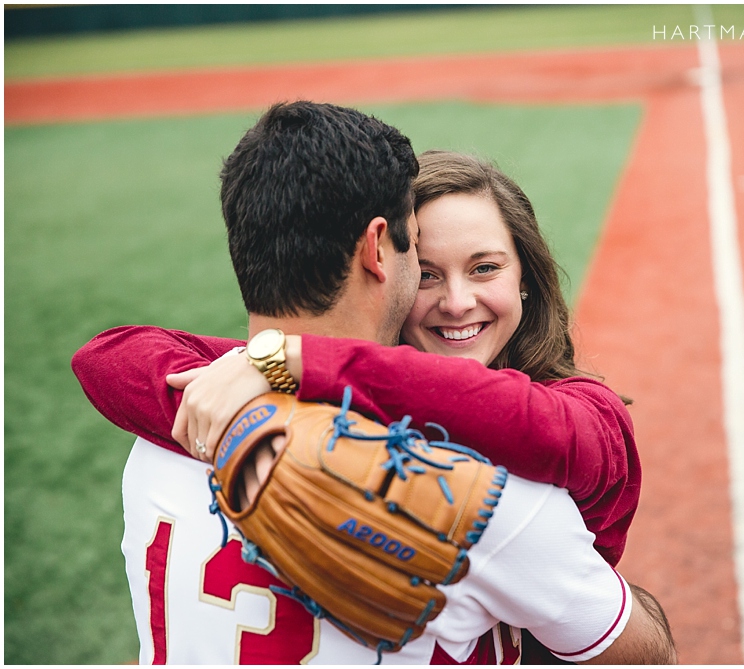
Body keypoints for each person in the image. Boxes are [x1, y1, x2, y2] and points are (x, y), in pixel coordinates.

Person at [72, 102, 674, 664]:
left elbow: (107, 356)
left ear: (526, 276)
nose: (457, 302)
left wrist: (282, 361)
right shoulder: (479, 495)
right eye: (428, 269)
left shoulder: (183, 420)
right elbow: (645, 654)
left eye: (485, 267)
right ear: (381, 251)